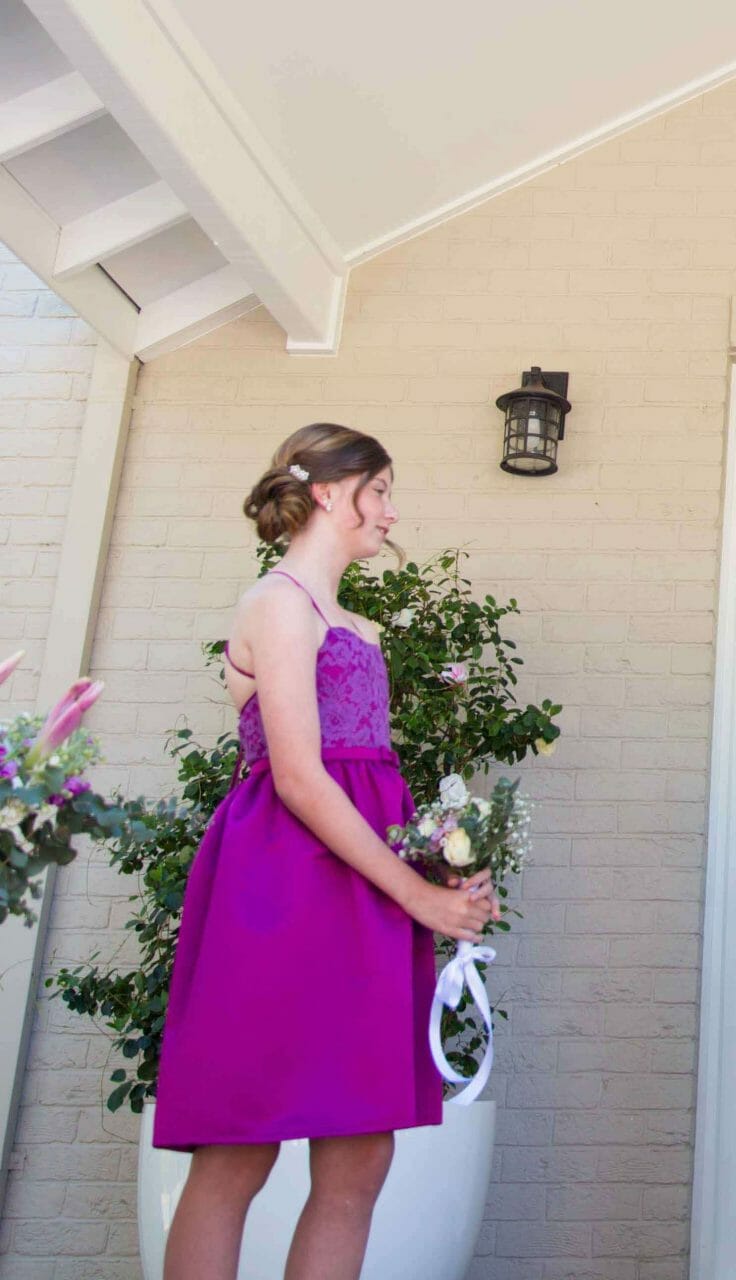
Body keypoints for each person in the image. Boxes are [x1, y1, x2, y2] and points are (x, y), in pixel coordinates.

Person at [155, 424, 498, 1280]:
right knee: (238, 1152)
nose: (389, 510)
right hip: (280, 887)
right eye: (378, 490)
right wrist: (418, 901)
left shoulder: (361, 626)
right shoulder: (276, 604)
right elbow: (302, 777)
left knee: (360, 1154)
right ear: (326, 493)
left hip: (362, 891)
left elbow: (372, 776)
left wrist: (438, 863)